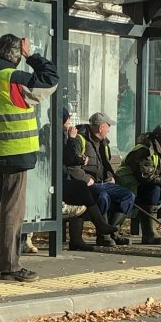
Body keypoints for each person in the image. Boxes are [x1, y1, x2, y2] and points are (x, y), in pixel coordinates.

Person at [0, 34, 58, 283]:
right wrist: (33, 57)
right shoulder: (14, 78)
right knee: (12, 209)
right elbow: (50, 81)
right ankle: (11, 266)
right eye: (21, 54)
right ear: (17, 54)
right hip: (15, 151)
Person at [67, 112, 135, 247]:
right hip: (87, 184)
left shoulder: (104, 143)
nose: (109, 129)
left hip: (104, 183)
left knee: (128, 196)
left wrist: (110, 175)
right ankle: (103, 235)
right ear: (100, 128)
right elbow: (72, 166)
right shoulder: (80, 139)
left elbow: (106, 164)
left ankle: (112, 232)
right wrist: (86, 178)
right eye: (108, 126)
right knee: (102, 197)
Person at [61, 107, 119, 251]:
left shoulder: (64, 134)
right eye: (68, 120)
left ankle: (80, 238)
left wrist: (110, 176)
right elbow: (69, 158)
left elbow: (71, 158)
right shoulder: (67, 136)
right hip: (54, 181)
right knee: (81, 189)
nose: (70, 123)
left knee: (126, 195)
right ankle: (100, 226)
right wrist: (73, 140)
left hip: (66, 179)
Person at [116, 123, 161, 245]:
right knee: (153, 190)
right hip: (129, 187)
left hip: (147, 185)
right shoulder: (144, 151)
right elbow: (146, 178)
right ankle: (149, 234)